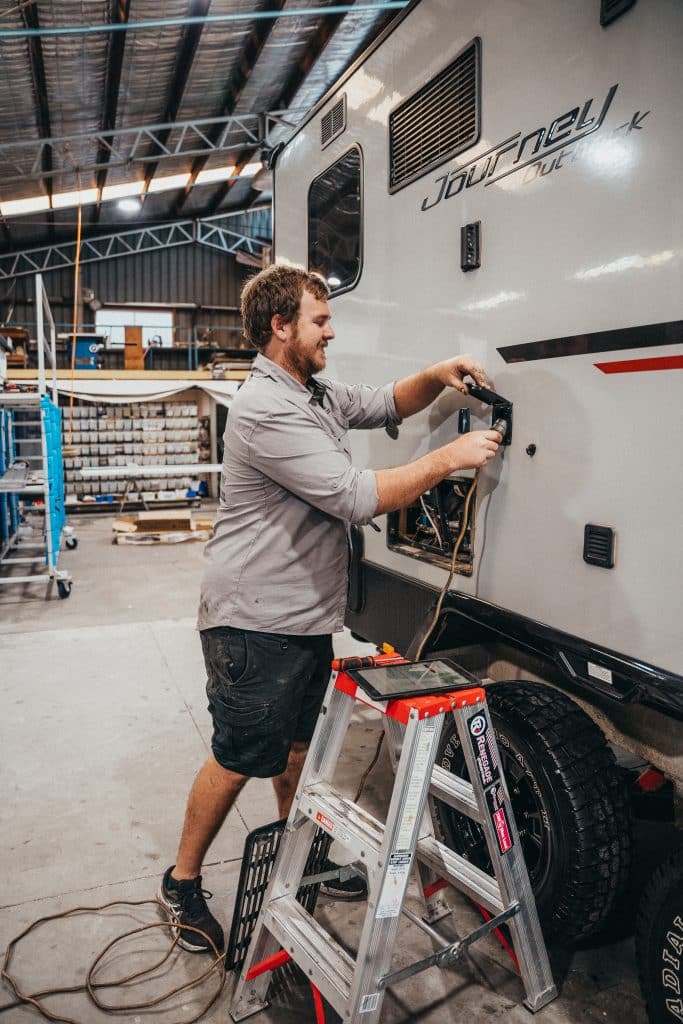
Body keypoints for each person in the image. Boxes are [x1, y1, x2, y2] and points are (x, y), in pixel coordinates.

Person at [159, 263, 502, 954]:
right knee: (237, 755)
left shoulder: (308, 391)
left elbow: (382, 403)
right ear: (280, 326)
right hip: (252, 622)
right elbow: (353, 495)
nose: (331, 329)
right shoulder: (266, 408)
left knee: (292, 748)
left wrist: (436, 373)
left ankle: (300, 862)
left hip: (302, 617)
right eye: (319, 319)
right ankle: (181, 882)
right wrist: (448, 459)